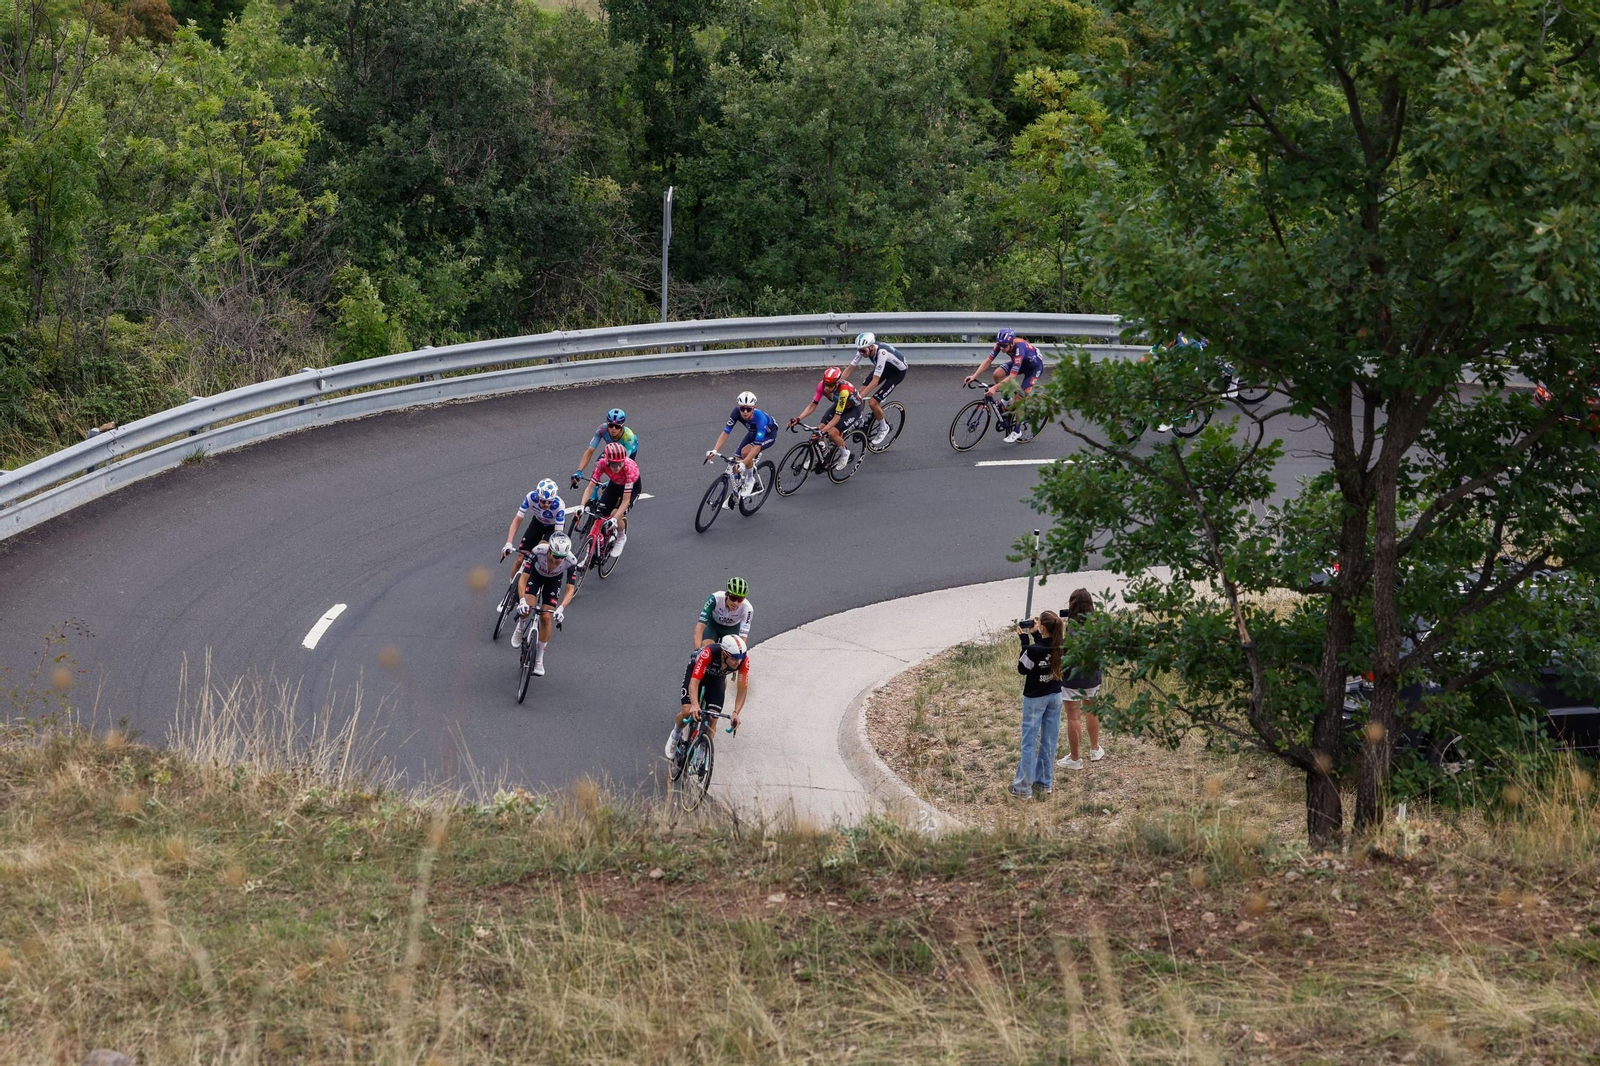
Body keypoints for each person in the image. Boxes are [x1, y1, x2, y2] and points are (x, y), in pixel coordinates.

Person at [667, 634, 750, 758]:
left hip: (716, 680)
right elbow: (694, 682)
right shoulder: (709, 653)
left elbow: (742, 690)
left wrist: (736, 712)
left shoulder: (743, 661)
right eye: (734, 658)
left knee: (713, 718)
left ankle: (704, 750)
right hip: (696, 674)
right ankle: (676, 734)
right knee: (687, 711)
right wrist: (695, 704)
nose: (737, 662)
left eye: (740, 658)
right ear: (724, 654)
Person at [1011, 611, 1065, 797]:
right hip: (1055, 695)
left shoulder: (1033, 650)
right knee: (1049, 740)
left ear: (1042, 626)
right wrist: (1035, 635)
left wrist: (1025, 641)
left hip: (1035, 698)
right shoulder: (1062, 645)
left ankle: (1023, 788)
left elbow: (1023, 668)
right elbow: (1046, 653)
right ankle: (1045, 783)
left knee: (1029, 742)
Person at [509, 534, 578, 676]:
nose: (559, 560)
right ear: (549, 550)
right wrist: (521, 600)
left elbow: (570, 589)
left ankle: (539, 658)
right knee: (528, 606)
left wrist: (561, 608)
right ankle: (520, 626)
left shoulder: (571, 560)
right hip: (536, 575)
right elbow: (523, 579)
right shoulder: (538, 551)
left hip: (553, 582)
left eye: (562, 557)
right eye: (556, 556)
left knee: (546, 618)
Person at [964, 328, 1045, 443]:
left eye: (1005, 346)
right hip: (1021, 363)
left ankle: (1017, 431)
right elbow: (988, 361)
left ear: (1012, 343)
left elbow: (1012, 377)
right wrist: (974, 375)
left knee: (1019, 398)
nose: (1002, 349)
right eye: (1000, 345)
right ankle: (1006, 400)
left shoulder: (1019, 350)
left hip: (1034, 368)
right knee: (997, 374)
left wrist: (994, 388)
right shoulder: (1001, 344)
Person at [1057, 588, 1104, 769]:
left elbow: (1063, 654)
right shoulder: (1098, 625)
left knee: (1074, 718)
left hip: (1073, 679)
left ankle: (1075, 758)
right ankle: (1095, 748)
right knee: (1091, 711)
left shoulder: (1072, 630)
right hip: (1092, 677)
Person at [705, 392, 777, 505]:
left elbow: (757, 446)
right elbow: (726, 432)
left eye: (748, 409)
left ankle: (750, 480)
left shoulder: (761, 419)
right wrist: (715, 450)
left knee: (745, 453)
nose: (744, 412)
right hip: (753, 433)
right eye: (742, 408)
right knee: (735, 464)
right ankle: (736, 492)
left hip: (768, 436)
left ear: (754, 408)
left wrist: (744, 462)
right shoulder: (736, 412)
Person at [789, 367, 865, 471]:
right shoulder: (822, 385)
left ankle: (844, 453)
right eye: (826, 384)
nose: (827, 388)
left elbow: (837, 417)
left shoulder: (843, 391)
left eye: (830, 386)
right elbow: (812, 405)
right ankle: (823, 452)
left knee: (832, 433)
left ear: (837, 383)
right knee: (820, 428)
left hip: (853, 409)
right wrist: (798, 418)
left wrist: (823, 431)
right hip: (839, 405)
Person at [574, 441, 640, 558]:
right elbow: (590, 487)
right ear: (608, 461)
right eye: (614, 465)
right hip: (614, 485)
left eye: (620, 463)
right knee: (598, 516)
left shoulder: (630, 468)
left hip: (631, 488)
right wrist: (581, 505)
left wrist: (614, 519)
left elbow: (625, 500)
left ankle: (621, 536)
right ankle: (588, 556)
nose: (618, 467)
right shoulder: (601, 464)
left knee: (616, 513)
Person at [500, 480, 566, 596]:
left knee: (542, 547)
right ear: (537, 496)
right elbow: (517, 521)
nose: (546, 504)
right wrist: (508, 543)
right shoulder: (531, 497)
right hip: (537, 523)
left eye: (549, 502)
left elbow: (557, 536)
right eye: (543, 501)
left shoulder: (559, 505)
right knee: (520, 559)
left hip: (552, 528)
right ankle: (511, 590)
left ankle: (535, 577)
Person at [844, 332, 908, 446]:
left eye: (863, 351)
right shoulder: (863, 349)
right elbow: (850, 368)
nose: (861, 353)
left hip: (897, 373)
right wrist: (837, 381)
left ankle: (884, 428)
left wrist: (860, 397)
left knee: (873, 402)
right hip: (884, 368)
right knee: (858, 393)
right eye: (859, 350)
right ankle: (858, 418)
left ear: (872, 347)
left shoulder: (882, 353)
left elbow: (874, 381)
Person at [571, 408, 638, 489]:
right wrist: (579, 471)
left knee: (622, 469)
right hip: (612, 449)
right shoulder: (602, 429)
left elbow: (623, 462)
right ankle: (594, 494)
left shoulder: (629, 437)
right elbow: (590, 451)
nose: (613, 429)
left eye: (617, 426)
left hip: (626, 452)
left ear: (622, 426)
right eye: (610, 425)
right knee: (598, 464)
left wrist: (611, 482)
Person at [693, 577, 753, 649]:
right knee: (706, 649)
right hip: (713, 626)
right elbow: (700, 626)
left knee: (733, 654)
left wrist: (740, 652)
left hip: (732, 629)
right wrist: (697, 650)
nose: (736, 603)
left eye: (740, 599)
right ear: (727, 594)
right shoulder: (715, 599)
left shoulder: (747, 608)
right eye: (733, 598)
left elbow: (743, 636)